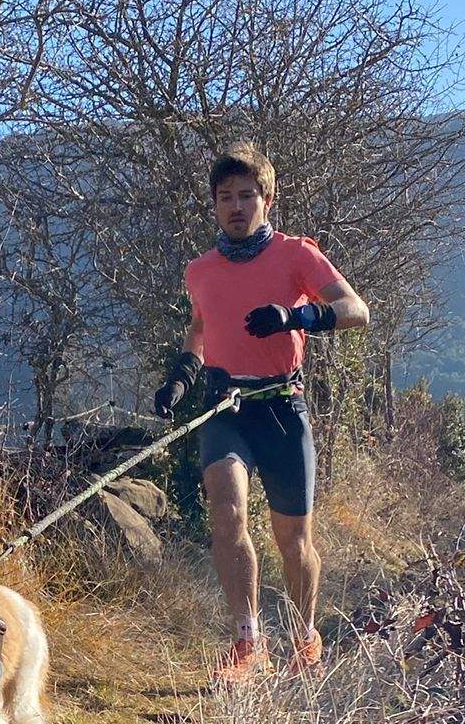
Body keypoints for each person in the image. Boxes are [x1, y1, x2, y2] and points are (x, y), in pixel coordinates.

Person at [154, 143, 369, 678]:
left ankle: (304, 636)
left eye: (247, 195)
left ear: (267, 200)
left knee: (293, 541)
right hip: (225, 408)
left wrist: (298, 317)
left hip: (282, 407)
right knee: (227, 515)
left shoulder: (296, 255)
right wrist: (182, 374)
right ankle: (247, 642)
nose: (236, 206)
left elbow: (356, 310)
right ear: (213, 204)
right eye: (225, 196)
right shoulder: (200, 270)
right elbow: (201, 328)